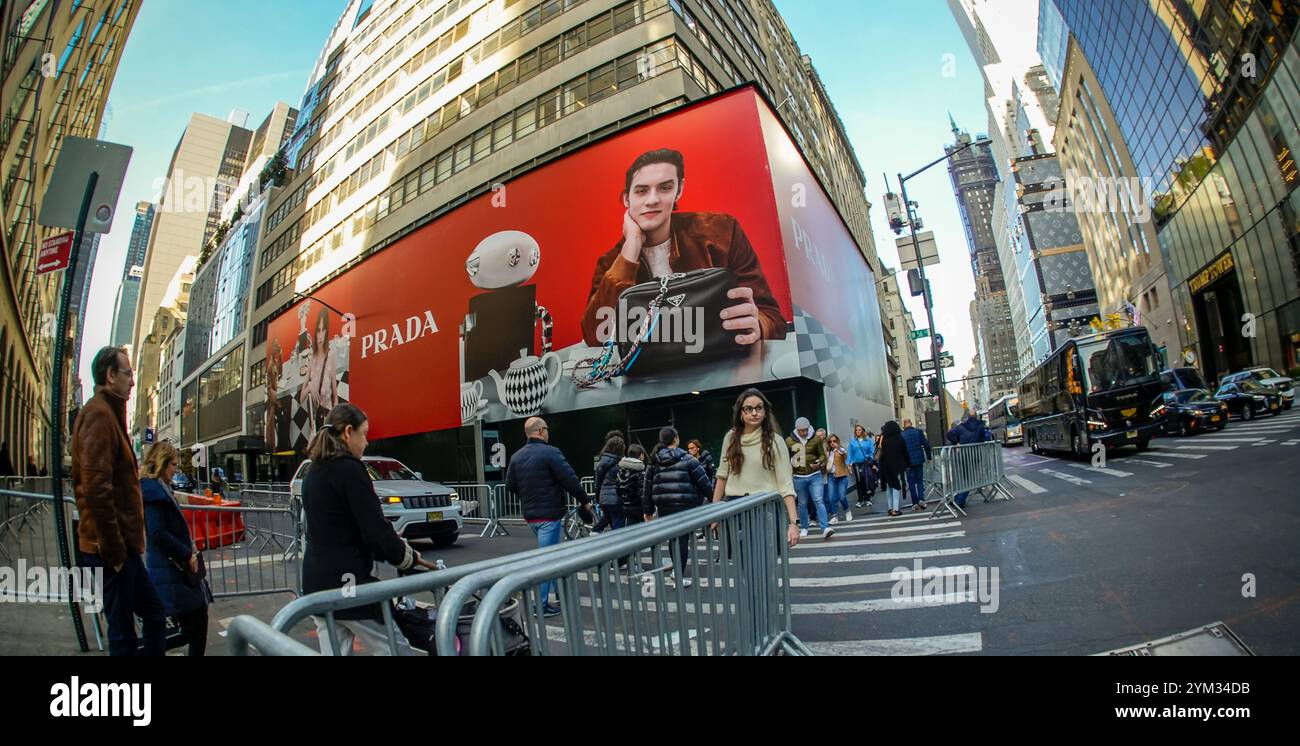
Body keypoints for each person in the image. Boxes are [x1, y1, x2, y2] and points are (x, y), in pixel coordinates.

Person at [581, 148, 786, 347]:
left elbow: (772, 317)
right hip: (648, 376)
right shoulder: (611, 263)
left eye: (665, 188)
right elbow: (596, 336)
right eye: (642, 191)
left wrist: (759, 325)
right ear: (627, 198)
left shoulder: (722, 232)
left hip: (721, 367)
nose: (652, 200)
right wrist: (631, 247)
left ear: (679, 190)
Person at [301, 403, 425, 655]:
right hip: (349, 584)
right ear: (348, 432)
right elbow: (375, 529)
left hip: (316, 581)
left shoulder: (314, 471)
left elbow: (338, 524)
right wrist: (406, 557)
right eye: (364, 433)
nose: (366, 442)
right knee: (395, 649)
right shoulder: (350, 469)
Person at [72, 346, 165, 656]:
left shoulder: (109, 413)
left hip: (120, 548)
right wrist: (114, 551)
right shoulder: (99, 415)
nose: (132, 382)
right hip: (110, 550)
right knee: (123, 633)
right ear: (110, 376)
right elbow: (96, 489)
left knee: (152, 615)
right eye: (127, 373)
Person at [505, 416, 593, 617]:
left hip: (531, 517)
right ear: (541, 431)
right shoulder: (551, 453)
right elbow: (569, 479)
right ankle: (541, 604)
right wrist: (585, 500)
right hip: (549, 516)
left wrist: (529, 494)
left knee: (551, 555)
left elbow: (510, 486)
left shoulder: (516, 457)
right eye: (547, 429)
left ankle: (558, 593)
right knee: (547, 561)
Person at [139, 442, 211, 656]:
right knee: (194, 625)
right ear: (160, 463)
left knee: (193, 625)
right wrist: (186, 553)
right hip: (171, 571)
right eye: (172, 464)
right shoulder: (153, 492)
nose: (175, 469)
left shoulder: (158, 489)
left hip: (173, 570)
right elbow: (158, 533)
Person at [711, 389, 799, 548]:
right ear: (740, 413)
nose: (754, 413)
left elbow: (786, 485)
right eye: (748, 409)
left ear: (765, 412)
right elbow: (722, 476)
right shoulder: (730, 438)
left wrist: (794, 523)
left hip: (765, 509)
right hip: (734, 508)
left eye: (759, 408)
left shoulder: (775, 441)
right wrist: (714, 514)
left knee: (765, 567)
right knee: (742, 566)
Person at [643, 427, 713, 586]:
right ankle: (678, 577)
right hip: (684, 504)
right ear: (675, 439)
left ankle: (676, 571)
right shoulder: (687, 459)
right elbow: (704, 483)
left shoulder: (654, 461)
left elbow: (647, 488)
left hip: (663, 505)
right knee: (682, 540)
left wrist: (647, 510)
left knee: (671, 538)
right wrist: (714, 500)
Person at [787, 417, 832, 539]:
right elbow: (786, 458)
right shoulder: (789, 441)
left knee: (818, 500)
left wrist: (819, 462)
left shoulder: (816, 439)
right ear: (797, 429)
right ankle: (804, 527)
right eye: (801, 430)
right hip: (798, 476)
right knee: (802, 503)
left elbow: (822, 455)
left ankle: (825, 527)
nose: (804, 433)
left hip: (814, 474)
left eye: (806, 430)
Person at [303, 308, 338, 436]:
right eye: (318, 330)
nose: (320, 335)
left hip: (328, 419)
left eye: (323, 330)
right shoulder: (311, 359)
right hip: (315, 423)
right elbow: (301, 397)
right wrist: (310, 387)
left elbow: (335, 395)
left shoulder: (331, 356)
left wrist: (335, 420)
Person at [946, 413, 992, 508]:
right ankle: (959, 500)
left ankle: (957, 498)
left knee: (966, 478)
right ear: (976, 417)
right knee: (970, 480)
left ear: (968, 417)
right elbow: (987, 438)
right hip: (975, 455)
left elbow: (949, 434)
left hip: (964, 455)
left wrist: (956, 441)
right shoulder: (980, 426)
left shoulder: (961, 426)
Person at [592, 434, 627, 531]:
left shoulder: (602, 461)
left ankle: (595, 531)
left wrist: (598, 497)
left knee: (612, 524)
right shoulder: (621, 462)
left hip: (604, 499)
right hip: (616, 499)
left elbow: (598, 482)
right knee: (618, 528)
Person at [876, 420, 909, 517]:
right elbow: (905, 452)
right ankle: (895, 508)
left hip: (885, 466)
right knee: (896, 486)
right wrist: (907, 464)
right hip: (897, 466)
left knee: (889, 487)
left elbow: (878, 452)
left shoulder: (882, 438)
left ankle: (890, 508)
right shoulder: (900, 438)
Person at [901, 419, 933, 511]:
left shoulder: (902, 435)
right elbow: (926, 444)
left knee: (911, 483)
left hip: (908, 462)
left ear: (904, 425)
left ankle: (914, 503)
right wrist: (929, 457)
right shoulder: (918, 432)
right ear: (911, 423)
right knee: (920, 480)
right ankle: (921, 499)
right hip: (919, 460)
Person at [616, 444, 649, 527]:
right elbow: (642, 492)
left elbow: (617, 489)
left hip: (625, 505)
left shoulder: (621, 470)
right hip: (638, 506)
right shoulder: (639, 471)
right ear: (641, 455)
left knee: (632, 529)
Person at [824, 434, 852, 523]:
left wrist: (839, 448)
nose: (832, 443)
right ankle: (834, 516)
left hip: (842, 476)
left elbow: (845, 457)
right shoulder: (827, 452)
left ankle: (847, 510)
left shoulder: (841, 450)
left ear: (837, 441)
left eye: (834, 441)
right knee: (831, 498)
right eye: (830, 441)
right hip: (831, 476)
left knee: (842, 496)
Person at [847, 424, 876, 511]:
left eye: (859, 430)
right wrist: (849, 464)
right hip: (856, 463)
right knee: (859, 481)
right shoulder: (853, 441)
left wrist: (870, 458)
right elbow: (850, 453)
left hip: (865, 463)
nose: (858, 431)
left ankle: (867, 498)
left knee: (865, 479)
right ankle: (860, 499)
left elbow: (872, 452)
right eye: (856, 430)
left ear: (863, 431)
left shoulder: (868, 441)